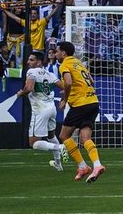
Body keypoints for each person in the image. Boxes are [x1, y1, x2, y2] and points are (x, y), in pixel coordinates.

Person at [53, 41, 105, 183]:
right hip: (93, 102)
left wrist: (65, 98)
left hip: (80, 105)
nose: (56, 54)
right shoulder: (78, 62)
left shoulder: (64, 65)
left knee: (64, 135)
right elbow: (91, 81)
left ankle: (82, 166)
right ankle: (97, 165)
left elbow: (68, 82)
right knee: (85, 138)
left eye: (57, 51)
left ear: (63, 53)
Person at [16, 51, 63, 170]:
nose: (28, 62)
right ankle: (58, 163)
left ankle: (60, 148)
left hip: (40, 110)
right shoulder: (50, 74)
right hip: (52, 109)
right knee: (51, 136)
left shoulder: (32, 72)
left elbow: (29, 88)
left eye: (31, 60)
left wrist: (21, 93)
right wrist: (64, 98)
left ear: (39, 62)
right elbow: (64, 86)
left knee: (33, 143)